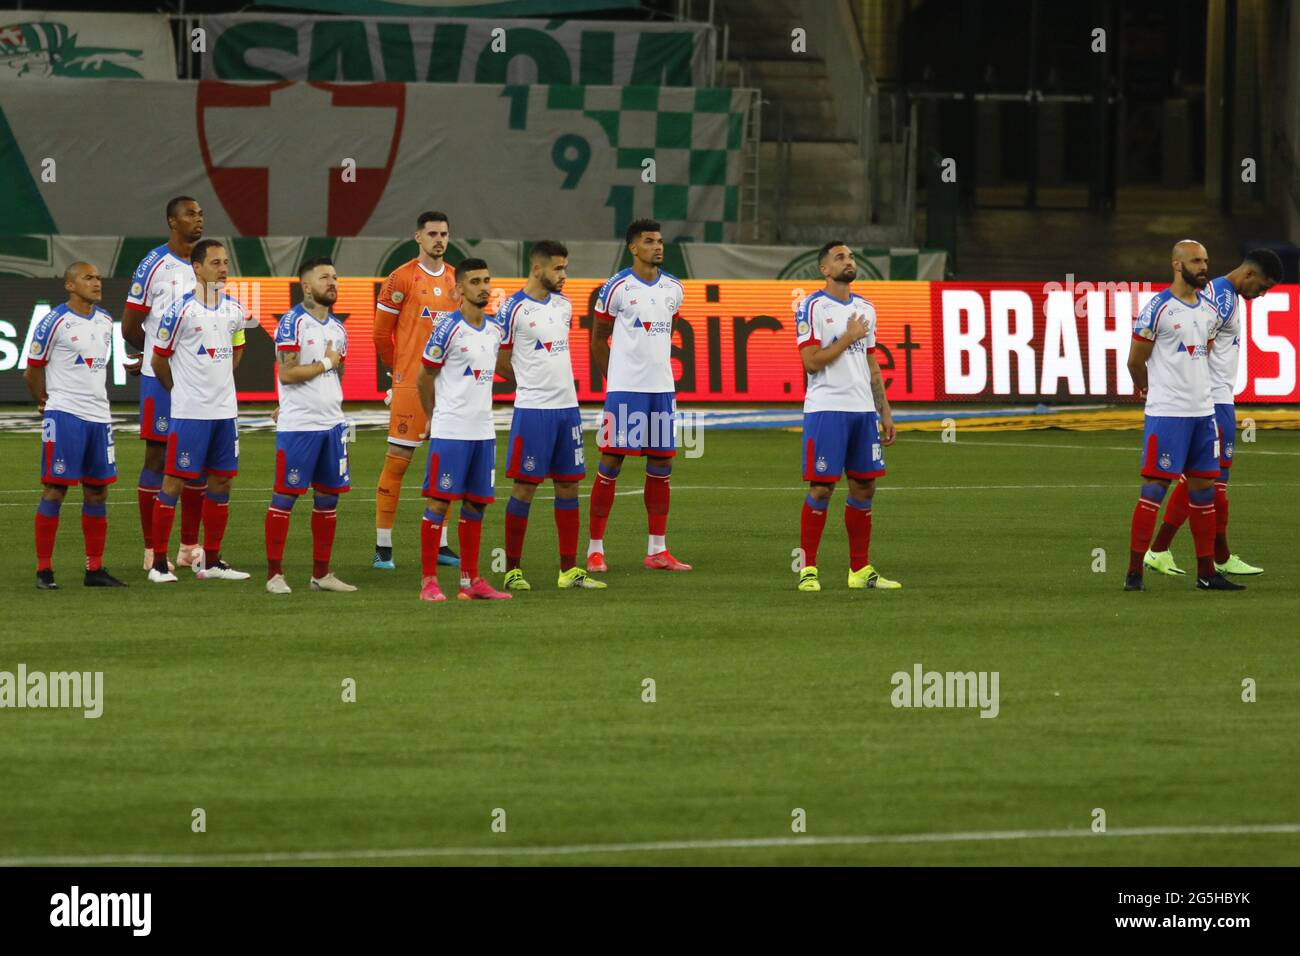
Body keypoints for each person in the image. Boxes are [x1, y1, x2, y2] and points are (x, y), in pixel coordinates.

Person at [1143, 248, 1282, 577]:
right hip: (1212, 401)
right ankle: (1214, 557)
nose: (1261, 295)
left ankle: (1161, 550)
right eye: (1262, 287)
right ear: (1248, 275)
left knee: (1206, 482)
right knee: (1212, 484)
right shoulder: (1220, 296)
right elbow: (1195, 346)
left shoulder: (1225, 294)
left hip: (1218, 398)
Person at [1124, 240, 1241, 591]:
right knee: (1155, 488)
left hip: (1204, 414)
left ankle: (1206, 573)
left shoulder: (1208, 309)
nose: (1204, 267)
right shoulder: (1158, 308)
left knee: (1204, 490)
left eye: (1206, 260)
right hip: (1169, 414)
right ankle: (1134, 572)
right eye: (1196, 261)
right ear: (1177, 265)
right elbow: (1135, 360)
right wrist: (1147, 390)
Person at [494, 240, 606, 591]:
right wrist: (526, 383)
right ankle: (512, 570)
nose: (564, 275)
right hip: (533, 412)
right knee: (525, 487)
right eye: (558, 268)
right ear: (537, 268)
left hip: (567, 410)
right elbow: (500, 358)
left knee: (569, 485)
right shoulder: (512, 308)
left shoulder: (564, 306)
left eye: (565, 268)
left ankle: (569, 570)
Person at [793, 242, 901, 592]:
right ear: (825, 269)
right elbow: (810, 362)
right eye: (840, 257)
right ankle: (808, 568)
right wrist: (847, 337)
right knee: (822, 488)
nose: (849, 261)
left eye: (851, 257)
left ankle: (860, 570)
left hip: (861, 412)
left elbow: (871, 363)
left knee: (865, 486)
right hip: (826, 409)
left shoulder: (866, 308)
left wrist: (884, 410)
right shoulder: (812, 306)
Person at [148, 239, 256, 583]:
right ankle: (159, 565)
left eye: (225, 262)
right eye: (215, 263)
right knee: (174, 481)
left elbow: (238, 345)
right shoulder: (179, 311)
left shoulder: (234, 309)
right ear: (197, 267)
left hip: (225, 412)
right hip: (189, 412)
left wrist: (222, 380)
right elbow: (158, 359)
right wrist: (179, 390)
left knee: (222, 482)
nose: (223, 269)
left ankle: (210, 562)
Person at [586, 219, 691, 573]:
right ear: (634, 248)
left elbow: (670, 328)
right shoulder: (616, 287)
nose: (658, 247)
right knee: (611, 462)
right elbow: (599, 337)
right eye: (649, 241)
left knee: (661, 465)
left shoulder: (674, 288)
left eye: (660, 241)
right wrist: (613, 379)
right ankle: (595, 549)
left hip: (661, 389)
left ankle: (657, 550)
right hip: (625, 390)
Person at [24, 262, 126, 588]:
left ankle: (94, 570)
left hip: (100, 416)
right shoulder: (54, 321)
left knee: (98, 491)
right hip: (65, 414)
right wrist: (45, 401)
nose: (96, 283)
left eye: (98, 277)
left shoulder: (107, 320)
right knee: (55, 489)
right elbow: (32, 370)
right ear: (70, 285)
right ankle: (44, 571)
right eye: (88, 278)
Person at [415, 259, 511, 602]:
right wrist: (432, 417)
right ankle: (429, 582)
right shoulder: (448, 328)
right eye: (474, 281)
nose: (483, 287)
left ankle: (470, 583)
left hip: (483, 432)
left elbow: (504, 372)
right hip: (450, 431)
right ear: (459, 290)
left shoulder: (495, 330)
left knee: (476, 504)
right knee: (439, 503)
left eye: (486, 280)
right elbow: (423, 376)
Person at [121, 196, 206, 572]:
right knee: (157, 457)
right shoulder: (153, 264)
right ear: (172, 222)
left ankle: (189, 547)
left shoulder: (208, 263)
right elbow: (129, 325)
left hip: (200, 381)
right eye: (190, 214)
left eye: (201, 213)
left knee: (196, 462)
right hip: (161, 379)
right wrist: (158, 353)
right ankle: (151, 548)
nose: (198, 219)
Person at [372, 211, 459, 570]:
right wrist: (399, 376)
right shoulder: (401, 278)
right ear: (418, 237)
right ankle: (383, 547)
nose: (439, 239)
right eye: (432, 234)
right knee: (398, 461)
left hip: (449, 387)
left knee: (446, 461)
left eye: (444, 234)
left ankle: (441, 544)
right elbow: (380, 334)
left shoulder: (457, 279)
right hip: (411, 385)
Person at [264, 258, 356, 594]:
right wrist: (326, 363)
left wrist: (329, 379)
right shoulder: (292, 323)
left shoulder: (338, 328)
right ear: (306, 286)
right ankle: (275, 575)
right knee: (285, 498)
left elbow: (338, 375)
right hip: (300, 427)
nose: (333, 282)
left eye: (335, 276)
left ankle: (321, 575)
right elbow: (287, 374)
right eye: (324, 277)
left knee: (328, 499)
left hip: (332, 425)